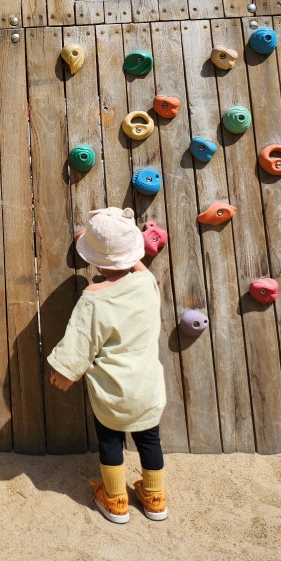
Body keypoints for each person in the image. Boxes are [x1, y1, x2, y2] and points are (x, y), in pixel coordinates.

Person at [47, 206, 167, 524]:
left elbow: (80, 341)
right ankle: (155, 499)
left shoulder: (93, 297)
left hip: (113, 391)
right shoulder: (147, 285)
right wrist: (127, 247)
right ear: (134, 254)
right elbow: (137, 267)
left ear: (93, 260)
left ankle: (115, 501)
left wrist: (65, 372)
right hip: (147, 387)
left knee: (110, 441)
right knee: (149, 439)